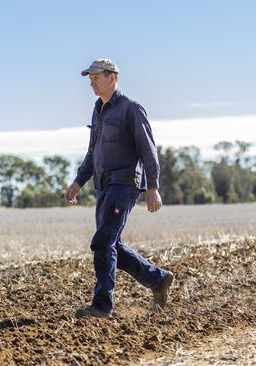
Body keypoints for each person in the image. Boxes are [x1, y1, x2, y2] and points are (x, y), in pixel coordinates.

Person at [64, 58, 174, 318]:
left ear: (112, 77)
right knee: (112, 245)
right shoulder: (98, 110)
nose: (91, 83)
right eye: (90, 79)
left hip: (124, 186)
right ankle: (157, 279)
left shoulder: (130, 109)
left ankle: (102, 306)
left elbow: (149, 150)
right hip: (103, 188)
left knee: (103, 241)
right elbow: (93, 151)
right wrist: (79, 181)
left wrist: (153, 186)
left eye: (95, 78)